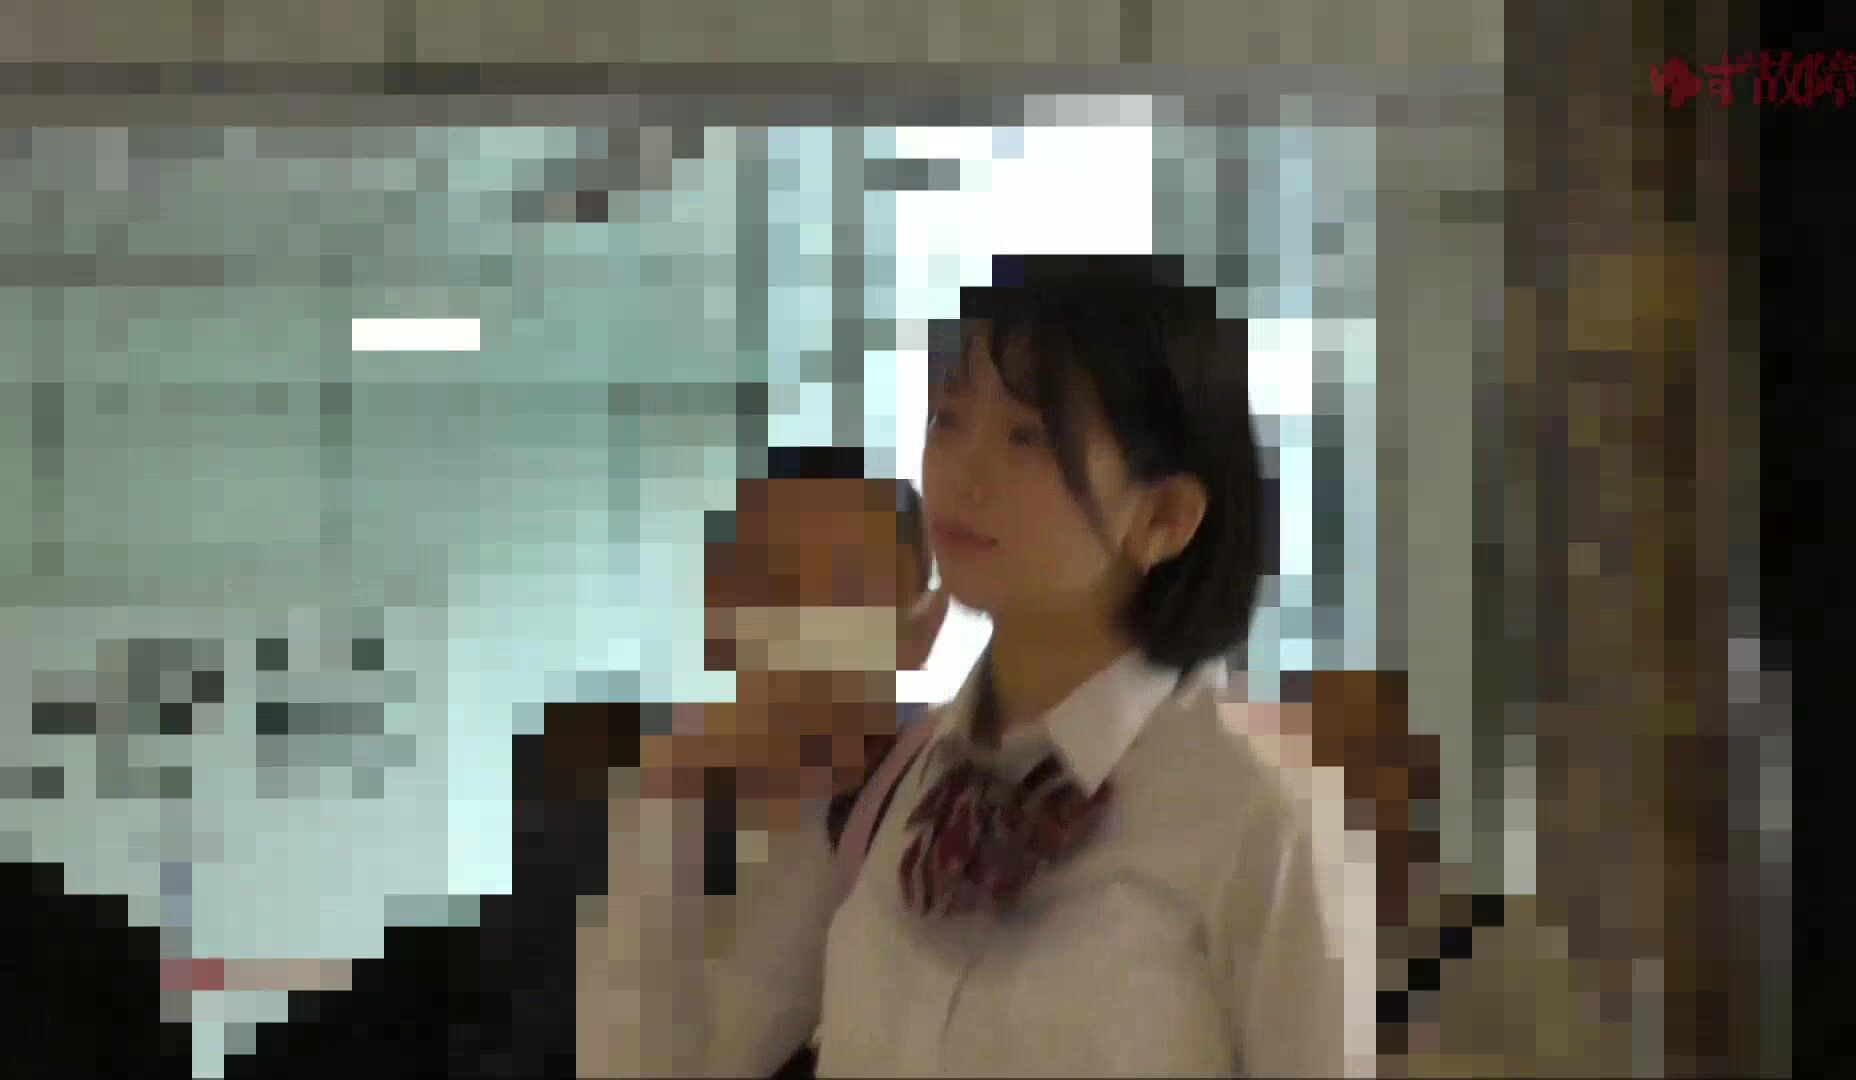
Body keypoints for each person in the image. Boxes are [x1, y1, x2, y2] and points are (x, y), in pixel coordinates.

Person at [698, 254, 1344, 1077]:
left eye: (1029, 437)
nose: (962, 471)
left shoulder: (1259, 810)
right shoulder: (918, 777)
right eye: (947, 419)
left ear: (1164, 517)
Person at [215, 447, 940, 1079]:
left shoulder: (909, 826)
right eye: (773, 588)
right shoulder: (558, 770)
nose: (802, 631)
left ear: (919, 629)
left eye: (845, 594)